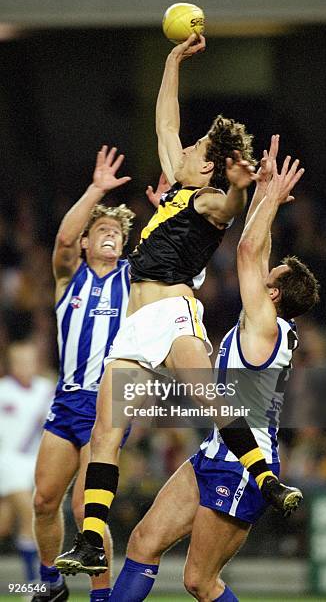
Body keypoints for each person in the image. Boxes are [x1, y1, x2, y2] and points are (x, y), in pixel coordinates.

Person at [56, 37, 302, 577]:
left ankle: (266, 480)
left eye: (196, 150)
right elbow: (165, 125)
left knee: (209, 399)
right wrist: (171, 63)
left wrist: (243, 189)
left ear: (209, 168)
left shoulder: (208, 199)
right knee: (105, 431)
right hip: (134, 326)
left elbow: (230, 206)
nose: (185, 148)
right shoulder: (177, 192)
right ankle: (93, 538)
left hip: (173, 313)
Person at [109, 147, 320, 602]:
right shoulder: (265, 325)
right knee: (143, 542)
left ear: (277, 293)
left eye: (272, 276)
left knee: (199, 582)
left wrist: (264, 195)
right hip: (216, 450)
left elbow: (247, 250)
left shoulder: (266, 326)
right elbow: (257, 251)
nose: (262, 275)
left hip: (245, 464)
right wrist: (262, 195)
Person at [31, 147, 134, 602]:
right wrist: (96, 191)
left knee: (84, 508)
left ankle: (101, 596)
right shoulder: (68, 276)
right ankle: (51, 584)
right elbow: (62, 242)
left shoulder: (133, 278)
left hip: (106, 405)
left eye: (117, 231)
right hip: (66, 400)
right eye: (101, 230)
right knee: (43, 501)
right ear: (88, 243)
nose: (110, 234)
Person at [0, 341, 53, 589]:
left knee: (6, 524)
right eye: (20, 362)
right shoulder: (3, 391)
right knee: (29, 514)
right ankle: (34, 583)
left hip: (38, 460)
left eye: (30, 361)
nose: (25, 366)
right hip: (9, 460)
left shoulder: (46, 390)